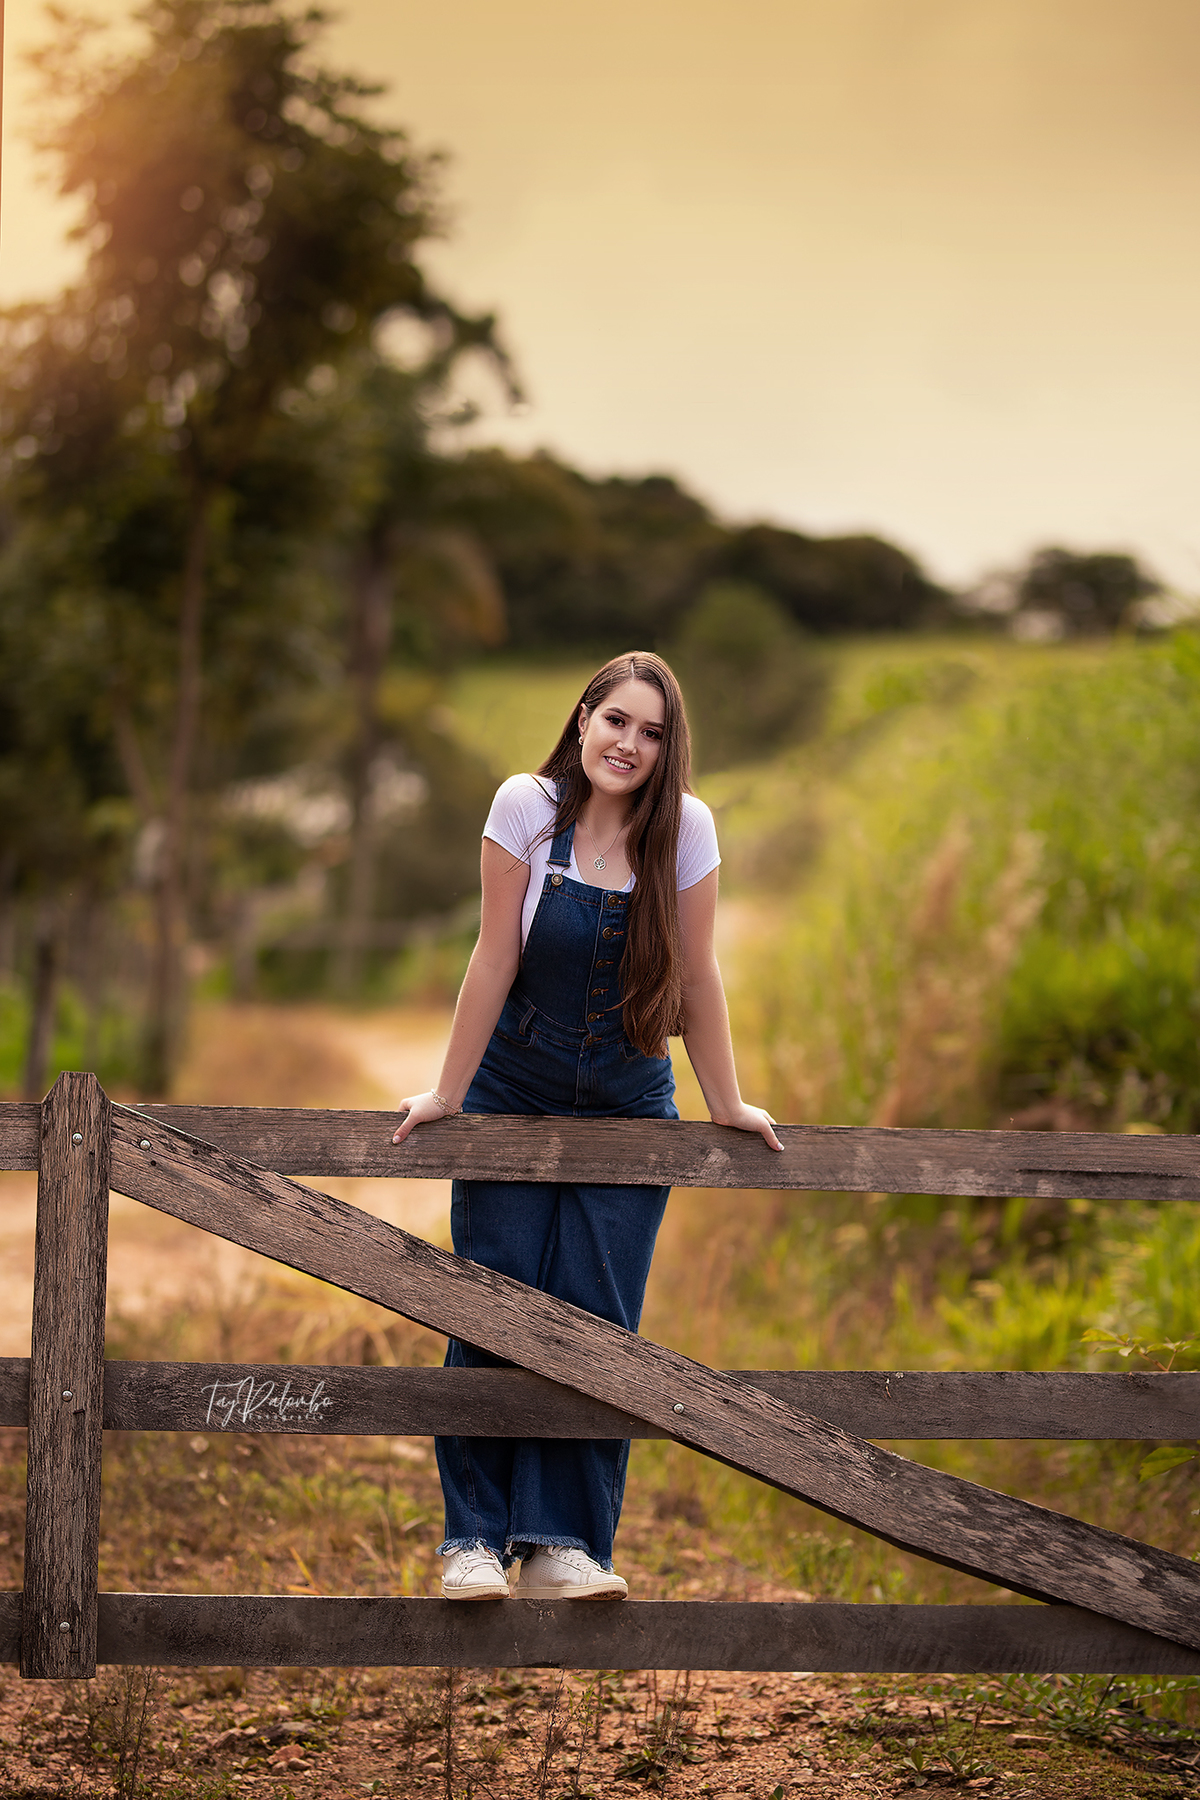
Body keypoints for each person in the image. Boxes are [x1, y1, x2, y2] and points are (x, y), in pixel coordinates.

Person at [392, 651, 781, 1602]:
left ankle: (565, 1548)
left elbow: (699, 974)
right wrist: (449, 1091)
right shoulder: (526, 807)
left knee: (597, 1318)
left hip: (629, 1096)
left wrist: (726, 1102)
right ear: (582, 719)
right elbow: (492, 959)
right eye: (616, 721)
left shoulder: (686, 828)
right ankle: (474, 1545)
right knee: (490, 1304)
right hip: (511, 1085)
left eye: (652, 732)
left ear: (667, 747)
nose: (630, 744)